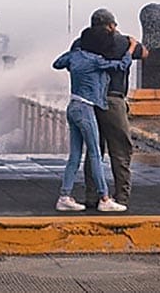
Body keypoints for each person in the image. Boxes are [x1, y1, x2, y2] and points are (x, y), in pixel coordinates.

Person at [52, 26, 139, 212]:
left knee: (75, 155)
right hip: (86, 109)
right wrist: (131, 48)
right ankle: (104, 198)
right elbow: (122, 65)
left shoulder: (74, 56)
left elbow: (57, 63)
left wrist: (73, 56)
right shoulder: (96, 61)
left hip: (72, 106)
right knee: (95, 154)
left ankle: (64, 196)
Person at [75, 9, 148, 207]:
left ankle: (92, 196)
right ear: (111, 25)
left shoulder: (81, 43)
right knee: (121, 151)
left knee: (94, 151)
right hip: (113, 101)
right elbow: (145, 53)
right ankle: (121, 197)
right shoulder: (122, 42)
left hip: (89, 102)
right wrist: (131, 44)